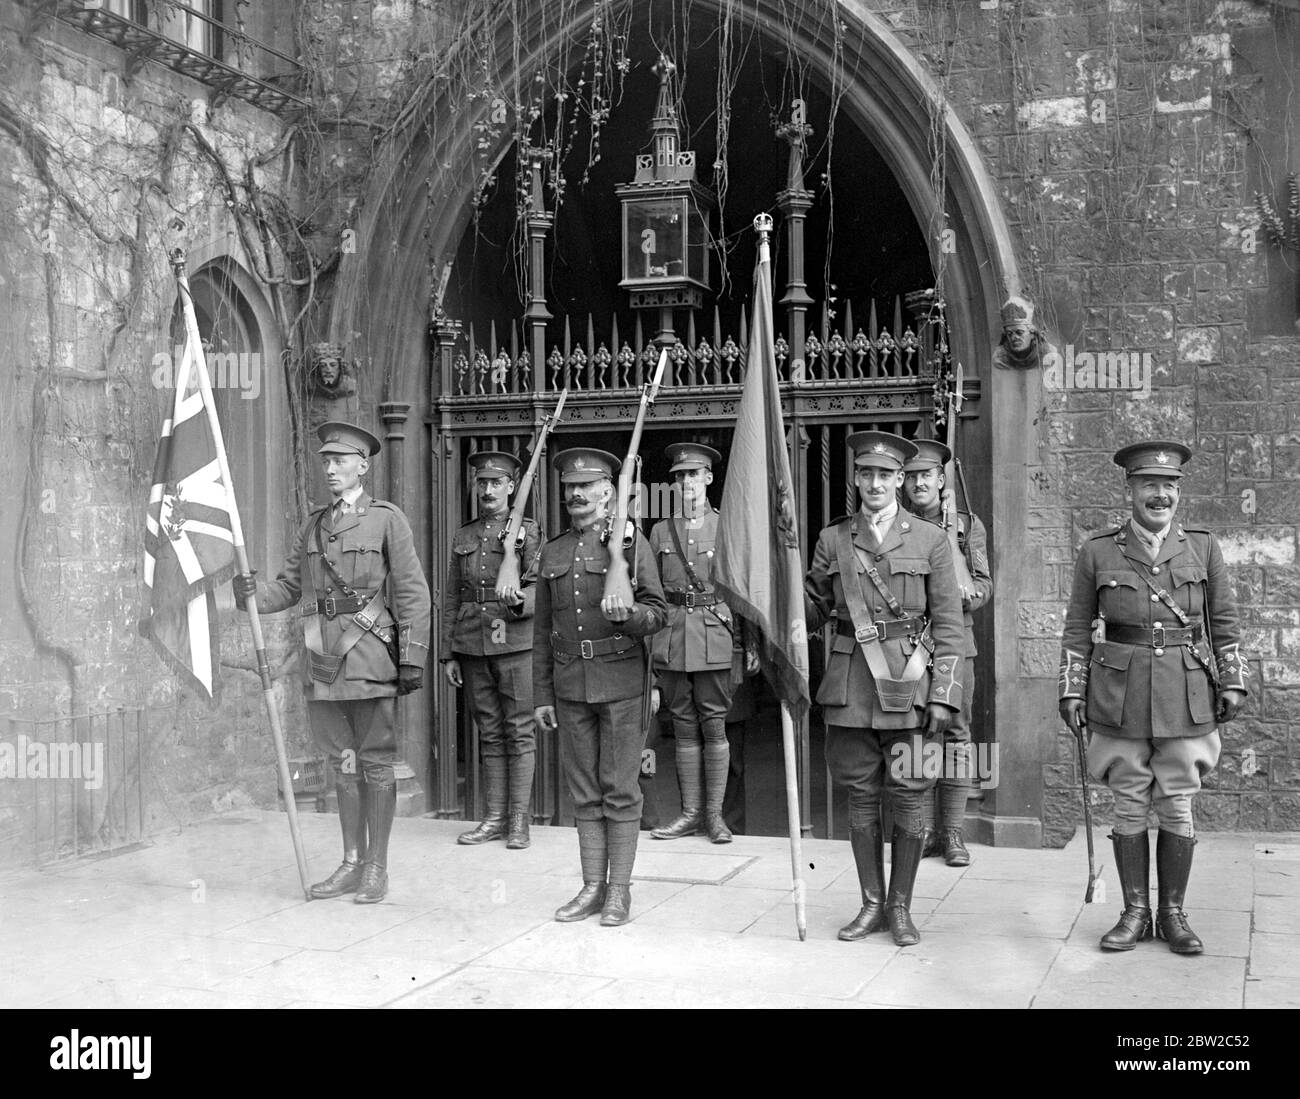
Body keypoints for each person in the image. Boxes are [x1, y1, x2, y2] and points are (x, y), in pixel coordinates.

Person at [1059, 441, 1248, 954]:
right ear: (1130, 490)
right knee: (1127, 801)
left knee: (1178, 801)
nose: (1160, 494)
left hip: (1185, 691)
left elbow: (1224, 623)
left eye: (1169, 486)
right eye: (1149, 485)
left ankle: (1173, 914)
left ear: (1178, 492)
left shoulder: (1203, 548)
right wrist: (1071, 688)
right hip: (1118, 692)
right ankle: (1135, 912)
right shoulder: (1098, 550)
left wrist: (1231, 679)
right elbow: (1078, 626)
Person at [233, 422, 430, 903]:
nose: (330, 469)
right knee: (342, 764)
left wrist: (412, 659)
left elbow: (412, 593)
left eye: (340, 461)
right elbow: (289, 587)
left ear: (363, 465)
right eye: (325, 461)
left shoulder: (387, 520)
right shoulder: (314, 524)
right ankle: (349, 862)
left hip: (368, 659)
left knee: (376, 763)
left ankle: (376, 868)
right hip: (323, 662)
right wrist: (251, 596)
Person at [805, 430, 965, 947]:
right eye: (866, 473)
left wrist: (944, 694)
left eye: (885, 475)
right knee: (860, 796)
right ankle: (871, 902)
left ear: (901, 480)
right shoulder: (832, 539)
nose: (874, 483)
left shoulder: (930, 539)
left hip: (912, 686)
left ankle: (900, 908)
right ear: (855, 478)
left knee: (913, 795)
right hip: (850, 685)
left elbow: (949, 626)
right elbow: (809, 608)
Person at [532, 448, 667, 927]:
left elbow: (658, 612)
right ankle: (592, 886)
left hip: (622, 683)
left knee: (620, 789)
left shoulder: (632, 545)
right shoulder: (553, 551)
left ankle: (619, 892)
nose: (575, 495)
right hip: (570, 686)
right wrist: (543, 695)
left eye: (586, 487)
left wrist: (629, 617)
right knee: (584, 790)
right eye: (570, 487)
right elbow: (543, 631)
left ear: (609, 492)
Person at [648, 442, 754, 844]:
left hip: (716, 636)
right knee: (683, 726)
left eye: (694, 474)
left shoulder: (727, 525)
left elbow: (741, 594)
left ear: (709, 478)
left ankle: (715, 817)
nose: (686, 482)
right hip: (674, 639)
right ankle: (690, 813)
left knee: (715, 725)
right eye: (679, 476)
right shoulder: (660, 530)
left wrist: (746, 649)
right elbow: (653, 594)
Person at [439, 451, 542, 849]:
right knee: (491, 733)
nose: (487, 490)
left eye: (495, 483)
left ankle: (519, 821)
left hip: (514, 642)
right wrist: (449, 652)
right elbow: (452, 595)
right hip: (473, 641)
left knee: (519, 731)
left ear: (512, 487)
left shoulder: (528, 533)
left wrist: (518, 601)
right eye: (482, 483)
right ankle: (495, 817)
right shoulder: (464, 535)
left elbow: (538, 589)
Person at [901, 439, 992, 866]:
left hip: (956, 642)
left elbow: (984, 583)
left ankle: (953, 834)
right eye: (913, 476)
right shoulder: (895, 526)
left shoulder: (967, 526)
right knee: (915, 735)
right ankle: (919, 833)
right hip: (910, 644)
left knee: (956, 734)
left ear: (942, 480)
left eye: (928, 476)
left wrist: (966, 597)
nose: (920, 483)